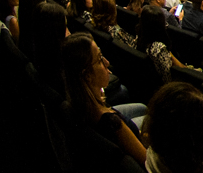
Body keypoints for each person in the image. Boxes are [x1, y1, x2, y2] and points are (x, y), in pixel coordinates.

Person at [61, 33, 148, 165]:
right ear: (87, 75)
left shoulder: (76, 100)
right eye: (100, 59)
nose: (107, 63)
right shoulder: (113, 124)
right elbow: (146, 160)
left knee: (142, 107)